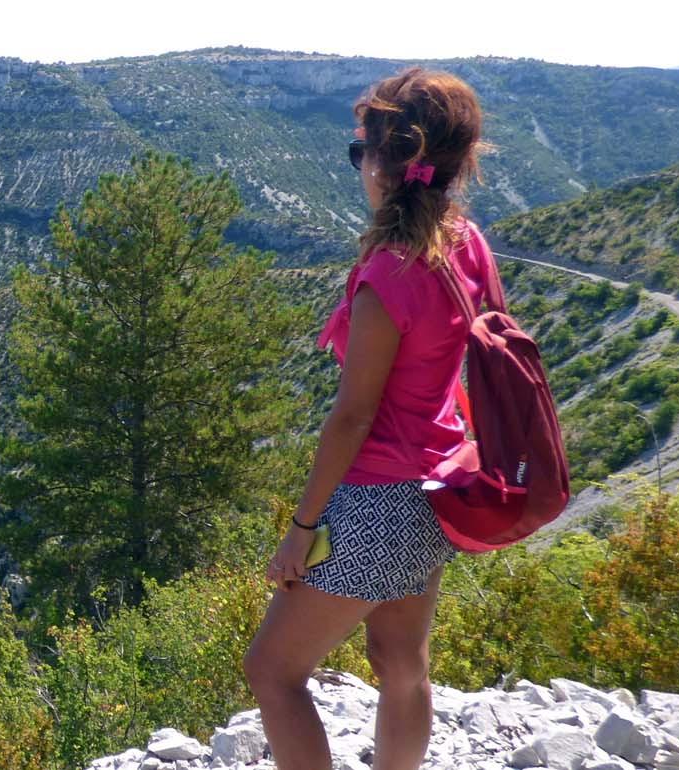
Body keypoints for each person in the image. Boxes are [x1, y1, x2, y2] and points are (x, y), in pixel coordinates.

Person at [242, 66, 495, 770]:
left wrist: (300, 531)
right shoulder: (465, 244)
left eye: (362, 151)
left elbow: (353, 419)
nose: (359, 166)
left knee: (271, 670)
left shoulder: (389, 274)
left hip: (377, 501)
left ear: (389, 160)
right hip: (437, 490)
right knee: (401, 663)